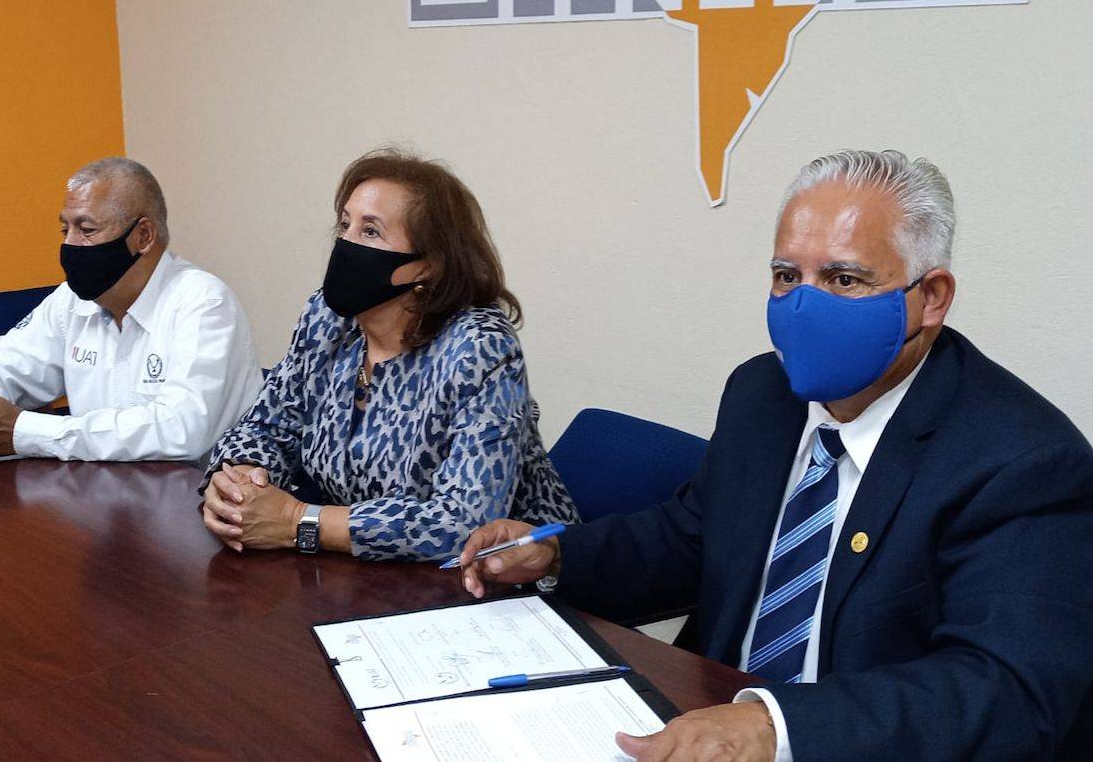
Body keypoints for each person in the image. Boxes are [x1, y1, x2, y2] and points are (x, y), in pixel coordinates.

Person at [458, 150, 1093, 762]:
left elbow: (1006, 690)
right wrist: (556, 554)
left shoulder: (1022, 460)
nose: (803, 306)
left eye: (843, 279)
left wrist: (775, 725)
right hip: (701, 717)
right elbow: (689, 541)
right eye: (788, 276)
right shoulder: (762, 393)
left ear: (930, 297)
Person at [201, 147, 578, 561]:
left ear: (427, 265)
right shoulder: (327, 319)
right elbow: (267, 426)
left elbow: (464, 523)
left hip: (496, 577)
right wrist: (239, 484)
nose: (345, 244)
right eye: (345, 224)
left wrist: (296, 520)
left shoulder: (479, 347)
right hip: (358, 571)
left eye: (370, 231)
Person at [0, 157, 262, 464]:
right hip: (101, 496)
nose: (69, 245)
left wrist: (22, 431)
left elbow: (181, 432)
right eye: (65, 228)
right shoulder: (73, 301)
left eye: (86, 229)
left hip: (199, 504)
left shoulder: (203, 303)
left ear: (143, 237)